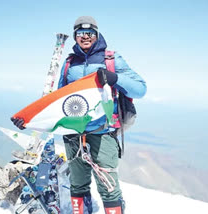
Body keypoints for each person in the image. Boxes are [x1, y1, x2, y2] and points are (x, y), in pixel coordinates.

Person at [57, 16, 147, 214]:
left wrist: (115, 78)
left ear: (96, 34)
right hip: (74, 134)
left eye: (89, 33)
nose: (85, 37)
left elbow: (140, 89)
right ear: (75, 36)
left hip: (103, 132)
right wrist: (30, 120)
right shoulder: (69, 63)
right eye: (81, 33)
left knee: (109, 188)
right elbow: (57, 100)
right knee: (77, 185)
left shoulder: (111, 60)